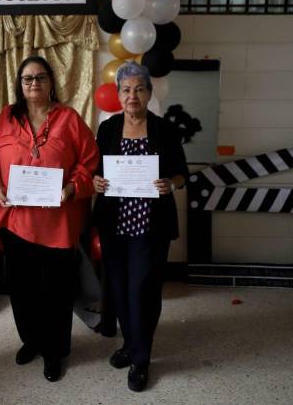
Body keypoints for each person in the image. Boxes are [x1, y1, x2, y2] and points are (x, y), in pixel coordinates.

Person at [0, 55, 99, 382]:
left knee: (56, 291)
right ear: (20, 85)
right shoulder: (7, 117)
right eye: (28, 79)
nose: (34, 83)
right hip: (16, 221)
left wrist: (72, 189)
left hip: (57, 223)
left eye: (41, 77)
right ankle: (31, 340)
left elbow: (89, 162)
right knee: (22, 290)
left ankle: (55, 351)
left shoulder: (69, 118)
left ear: (51, 82)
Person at [92, 61, 189, 392]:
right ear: (118, 95)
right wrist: (96, 182)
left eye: (139, 89)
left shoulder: (165, 129)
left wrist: (169, 184)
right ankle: (131, 344)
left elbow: (182, 174)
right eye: (126, 89)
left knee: (143, 293)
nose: (132, 95)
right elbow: (94, 170)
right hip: (114, 224)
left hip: (151, 225)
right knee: (119, 290)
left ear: (149, 93)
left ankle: (141, 360)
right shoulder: (107, 129)